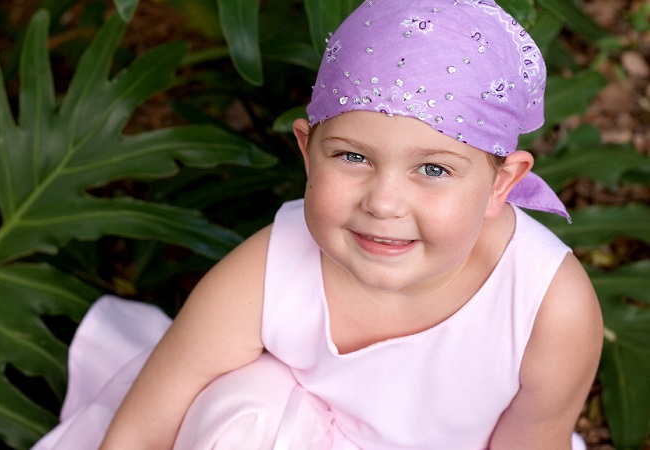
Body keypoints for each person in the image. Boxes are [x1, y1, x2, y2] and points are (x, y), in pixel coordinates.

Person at [33, 0, 604, 449]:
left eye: (432, 169)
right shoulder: (272, 266)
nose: (383, 204)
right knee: (245, 411)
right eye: (353, 157)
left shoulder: (547, 309)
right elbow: (148, 423)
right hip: (292, 436)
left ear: (501, 184)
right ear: (308, 151)